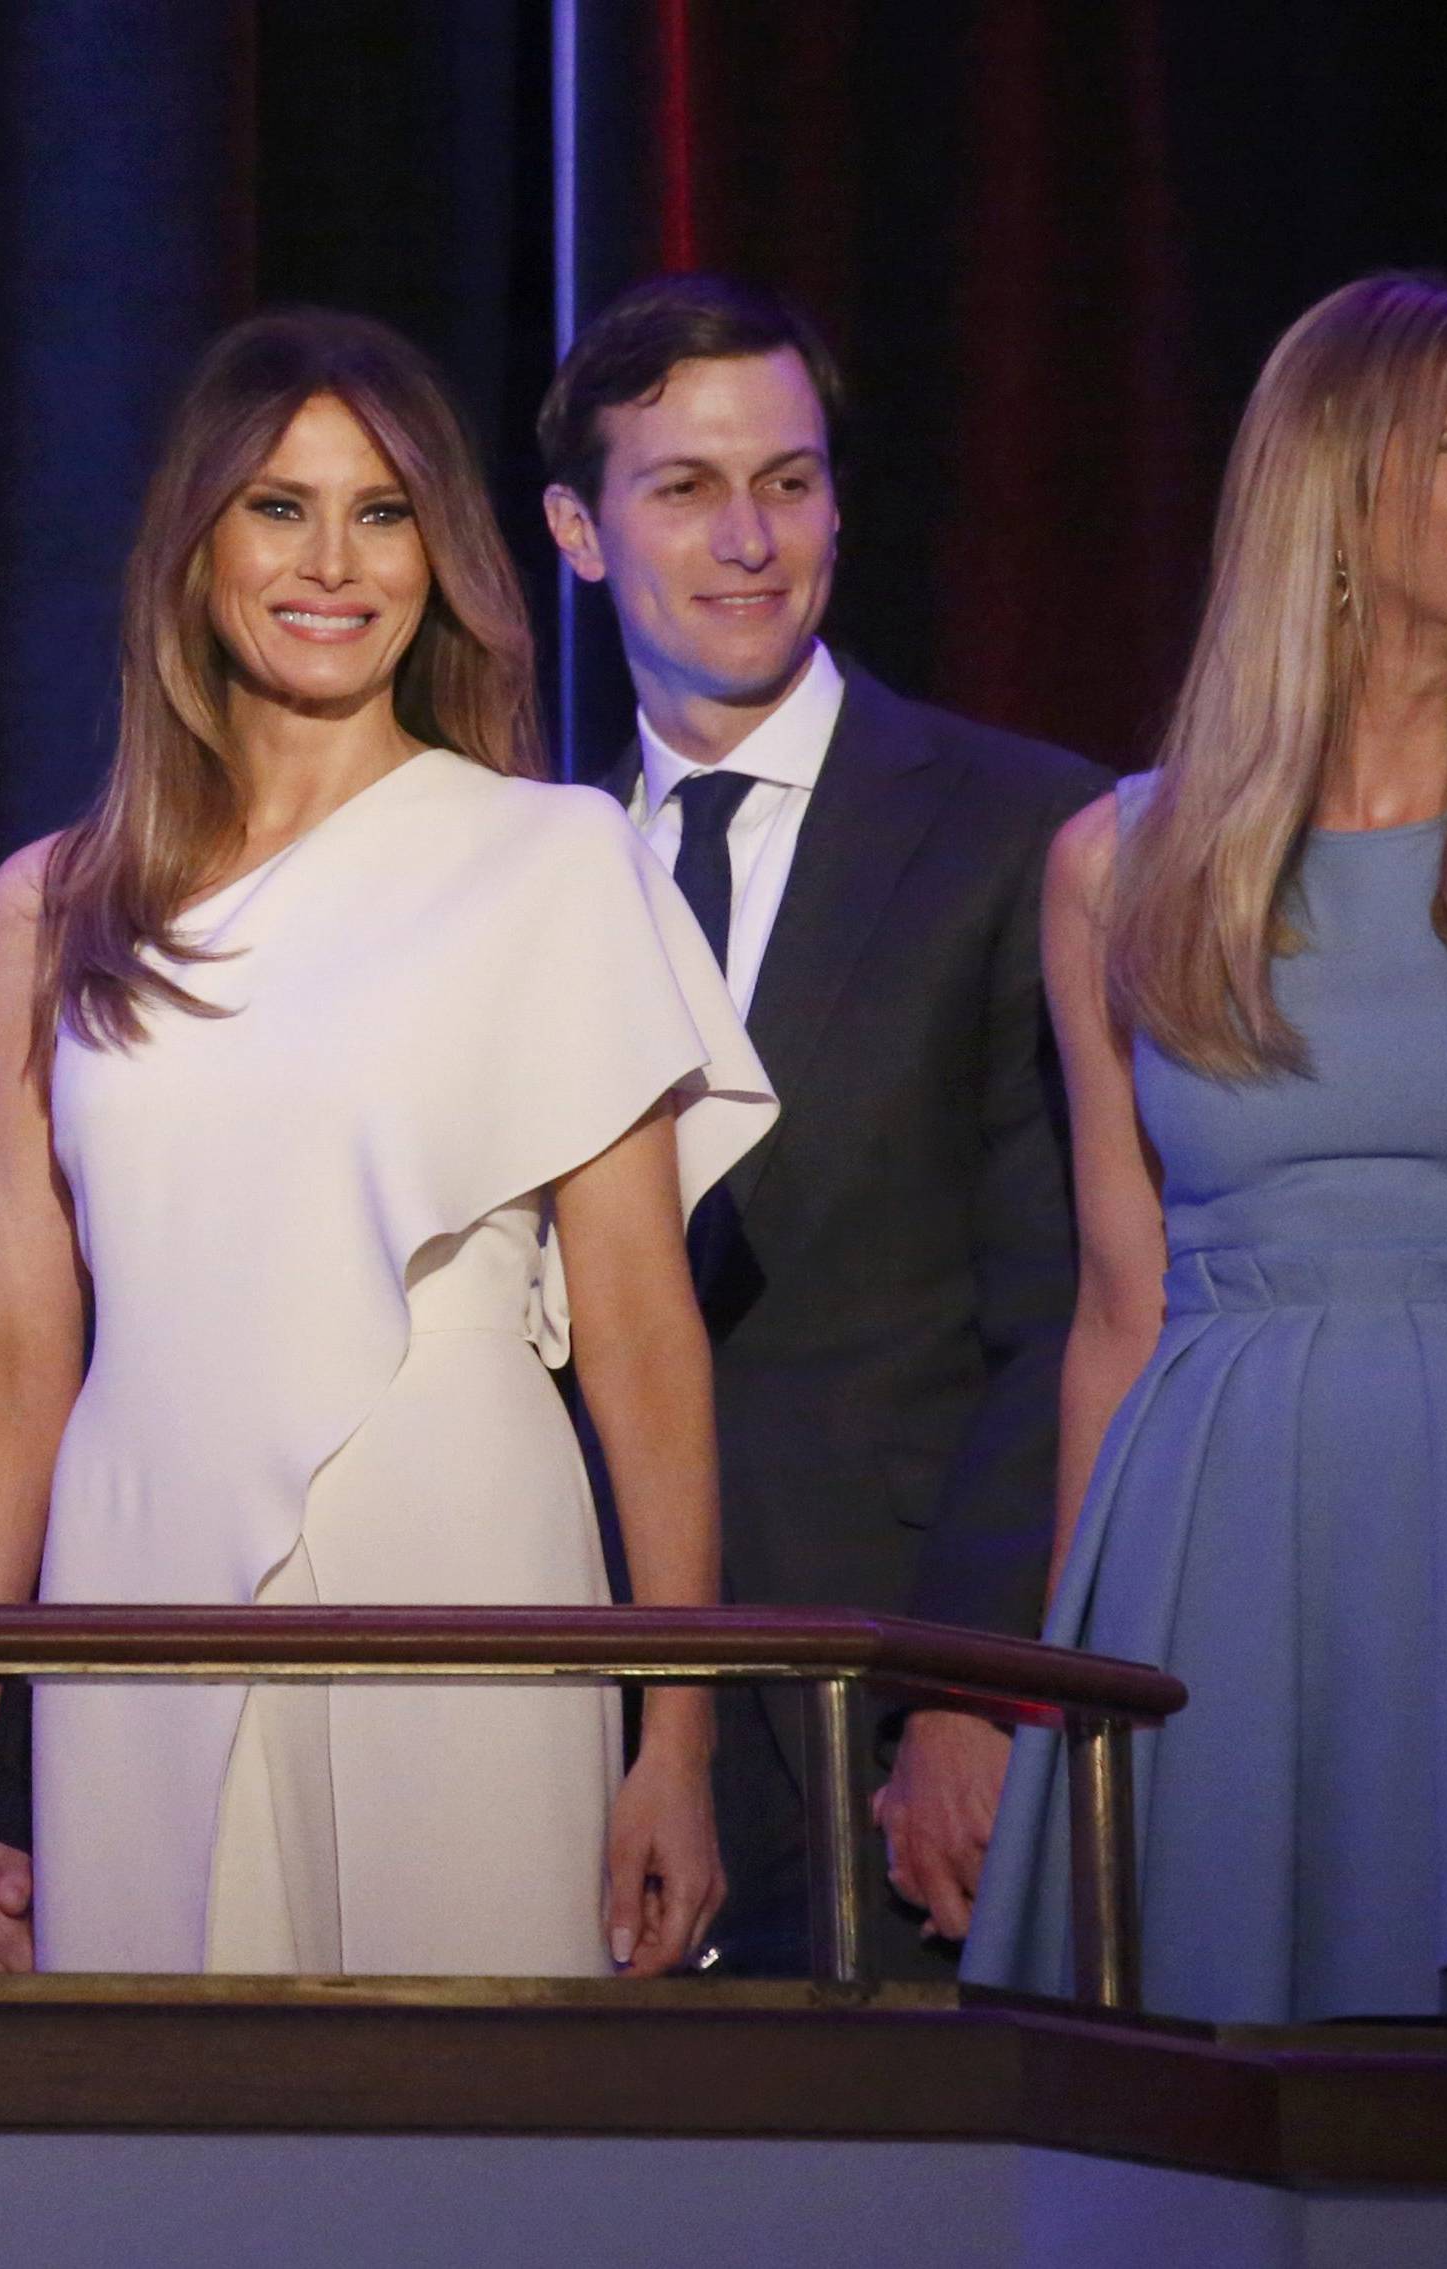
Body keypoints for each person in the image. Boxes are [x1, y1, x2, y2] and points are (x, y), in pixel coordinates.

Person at [0, 309, 774, 1978]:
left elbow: (646, 1335)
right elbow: (14, 1355)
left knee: (471, 2132)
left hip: (462, 1548)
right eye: (280, 507)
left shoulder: (549, 858)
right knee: (175, 2147)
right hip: (139, 1565)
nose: (336, 562)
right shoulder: (58, 904)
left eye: (383, 513)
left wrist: (681, 1737)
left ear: (439, 552)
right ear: (197, 542)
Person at [540, 275, 1105, 1974]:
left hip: (893, 1702)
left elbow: (1069, 1306)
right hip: (576, 1675)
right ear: (580, 530)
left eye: (787, 482)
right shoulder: (518, 858)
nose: (748, 539)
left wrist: (972, 1690)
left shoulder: (1028, 827)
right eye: (685, 488)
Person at [966, 273, 1447, 2023]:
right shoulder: (1124, 861)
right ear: (1336, 485)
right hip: (1217, 1521)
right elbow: (1119, 1299)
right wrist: (1059, 1685)